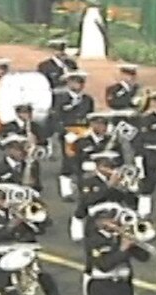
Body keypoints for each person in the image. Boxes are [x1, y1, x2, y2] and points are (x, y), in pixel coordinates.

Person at [52, 71, 95, 201]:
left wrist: (89, 131)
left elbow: (90, 117)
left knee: (84, 161)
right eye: (74, 81)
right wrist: (64, 132)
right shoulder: (60, 99)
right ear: (68, 83)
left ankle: (84, 188)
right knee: (68, 163)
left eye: (80, 82)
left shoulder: (87, 99)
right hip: (68, 134)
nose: (78, 85)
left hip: (83, 134)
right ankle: (66, 192)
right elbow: (56, 117)